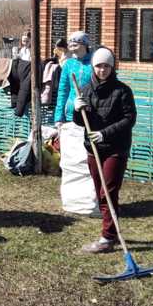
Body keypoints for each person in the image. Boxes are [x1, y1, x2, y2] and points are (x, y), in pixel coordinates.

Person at [73, 47, 136, 253]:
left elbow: (129, 119)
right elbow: (81, 122)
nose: (102, 70)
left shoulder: (122, 91)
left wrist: (104, 134)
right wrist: (76, 109)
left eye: (106, 66)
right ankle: (111, 231)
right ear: (93, 66)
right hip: (93, 148)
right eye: (99, 66)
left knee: (109, 191)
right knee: (101, 193)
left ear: (112, 67)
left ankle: (107, 238)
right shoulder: (85, 89)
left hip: (115, 148)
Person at [53, 31, 99, 215]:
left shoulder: (94, 64)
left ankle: (90, 201)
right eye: (70, 44)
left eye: (76, 44)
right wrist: (59, 116)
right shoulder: (69, 65)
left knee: (88, 159)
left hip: (90, 114)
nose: (72, 47)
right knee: (72, 161)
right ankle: (73, 200)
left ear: (84, 45)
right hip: (71, 116)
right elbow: (63, 90)